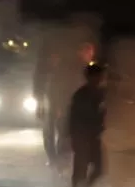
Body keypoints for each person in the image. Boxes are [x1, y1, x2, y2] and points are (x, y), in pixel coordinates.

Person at [35, 40, 96, 173]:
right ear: (81, 52)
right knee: (56, 133)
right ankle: (57, 161)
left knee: (62, 134)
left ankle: (60, 161)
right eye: (89, 52)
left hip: (65, 105)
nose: (91, 55)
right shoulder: (73, 66)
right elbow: (61, 87)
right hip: (59, 104)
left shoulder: (82, 66)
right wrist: (58, 106)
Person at [68, 62, 107, 187]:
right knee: (80, 169)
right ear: (91, 77)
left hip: (93, 136)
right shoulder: (81, 94)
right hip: (82, 136)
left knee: (100, 168)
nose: (101, 78)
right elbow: (75, 117)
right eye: (99, 76)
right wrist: (72, 137)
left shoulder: (100, 93)